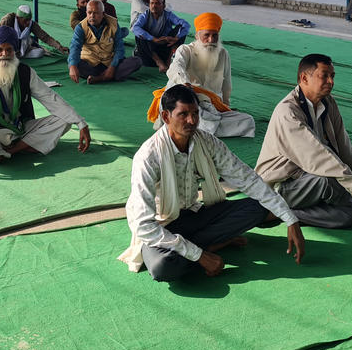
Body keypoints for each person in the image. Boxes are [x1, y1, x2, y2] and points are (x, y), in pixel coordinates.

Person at [118, 84, 305, 281]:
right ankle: (214, 243)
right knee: (162, 268)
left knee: (263, 205)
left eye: (195, 113)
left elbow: (246, 177)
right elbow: (144, 226)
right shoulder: (148, 156)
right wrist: (199, 255)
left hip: (194, 214)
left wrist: (290, 219)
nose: (192, 121)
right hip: (162, 227)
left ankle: (207, 244)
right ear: (166, 117)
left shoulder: (206, 141)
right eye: (183, 114)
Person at [255, 54, 352, 229]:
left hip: (309, 179)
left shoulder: (328, 102)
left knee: (349, 216)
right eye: (324, 76)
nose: (331, 81)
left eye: (333, 76)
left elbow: (344, 148)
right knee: (328, 181)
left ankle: (285, 213)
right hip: (282, 186)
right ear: (304, 78)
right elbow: (318, 157)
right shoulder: (287, 112)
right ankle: (275, 209)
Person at [0, 26, 92, 175]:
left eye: (9, 50)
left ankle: (11, 151)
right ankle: (17, 148)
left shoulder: (25, 72)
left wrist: (80, 123)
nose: (5, 54)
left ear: (15, 51)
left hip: (19, 128)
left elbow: (50, 97)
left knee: (64, 120)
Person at [152, 12, 254, 138]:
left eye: (214, 35)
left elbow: (226, 83)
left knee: (248, 120)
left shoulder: (223, 54)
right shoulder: (185, 50)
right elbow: (175, 67)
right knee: (174, 86)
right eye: (207, 35)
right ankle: (198, 125)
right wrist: (186, 83)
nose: (211, 40)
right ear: (197, 35)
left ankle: (191, 126)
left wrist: (226, 106)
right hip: (187, 102)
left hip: (211, 107)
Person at [67, 0, 142, 84]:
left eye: (96, 13)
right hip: (91, 64)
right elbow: (75, 47)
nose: (92, 16)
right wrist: (73, 66)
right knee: (74, 63)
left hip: (109, 63)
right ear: (86, 13)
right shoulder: (80, 27)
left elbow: (119, 49)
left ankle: (100, 78)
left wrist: (112, 67)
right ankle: (108, 76)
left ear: (103, 14)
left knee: (137, 61)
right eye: (89, 13)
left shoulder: (113, 24)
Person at [132, 0, 189, 72]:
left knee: (181, 28)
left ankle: (169, 61)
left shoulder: (168, 15)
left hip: (164, 46)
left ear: (163, 5)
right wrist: (154, 39)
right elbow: (135, 28)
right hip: (149, 52)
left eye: (157, 3)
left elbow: (186, 25)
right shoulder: (145, 15)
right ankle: (159, 62)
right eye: (152, 3)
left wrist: (176, 38)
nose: (154, 6)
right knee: (140, 34)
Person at [0, 4, 68, 59]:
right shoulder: (8, 20)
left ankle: (17, 55)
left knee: (40, 52)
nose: (27, 23)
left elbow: (45, 37)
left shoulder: (31, 24)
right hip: (6, 47)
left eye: (29, 19)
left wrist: (59, 46)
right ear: (18, 18)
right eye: (25, 20)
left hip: (23, 49)